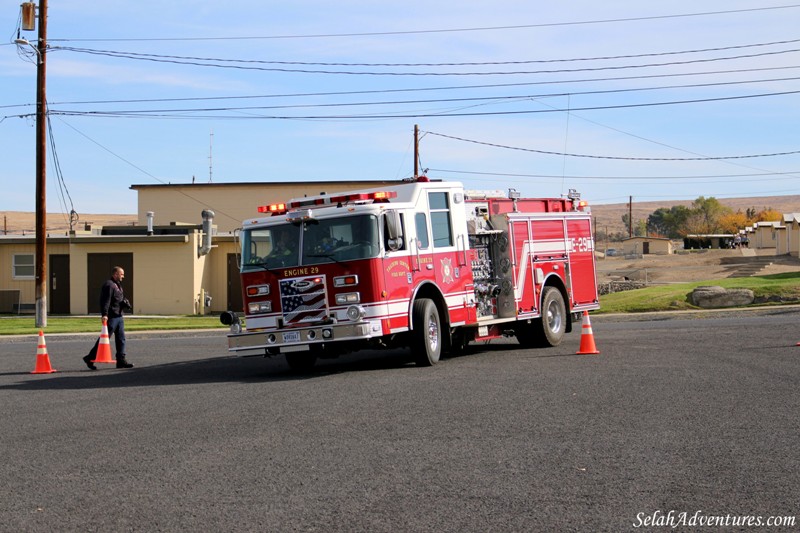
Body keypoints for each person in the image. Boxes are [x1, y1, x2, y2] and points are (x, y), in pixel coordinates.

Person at [82, 266, 134, 370]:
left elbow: (117, 299)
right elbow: (105, 301)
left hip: (119, 316)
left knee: (121, 339)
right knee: (104, 339)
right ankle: (90, 358)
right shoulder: (109, 285)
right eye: (121, 274)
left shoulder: (118, 285)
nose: (123, 276)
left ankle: (121, 361)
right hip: (112, 317)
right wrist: (104, 315)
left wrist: (124, 303)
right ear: (115, 274)